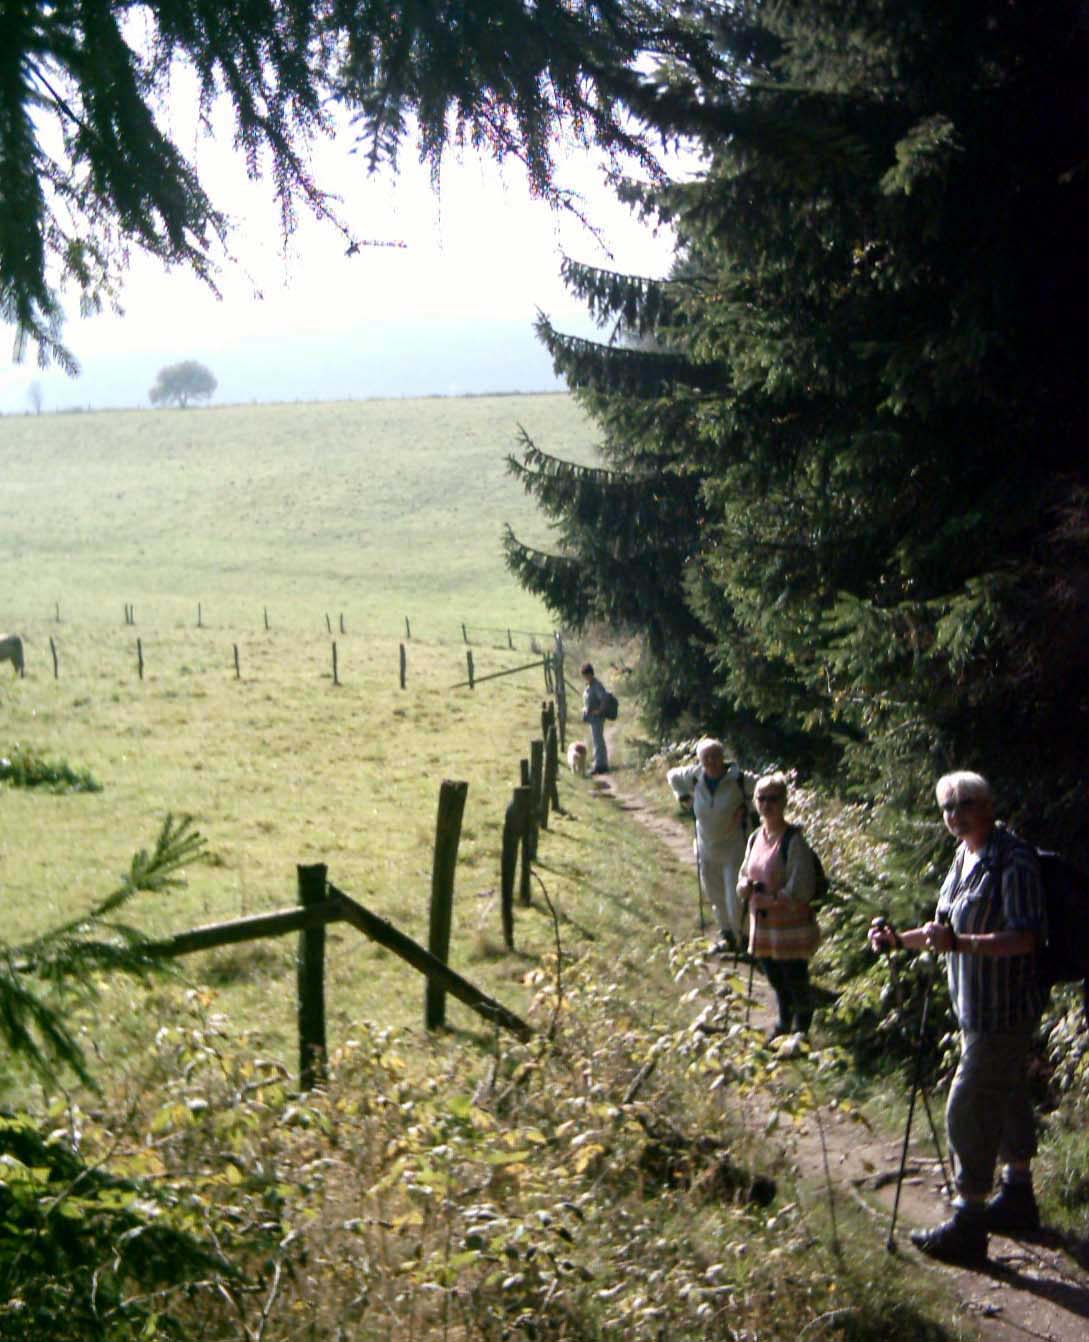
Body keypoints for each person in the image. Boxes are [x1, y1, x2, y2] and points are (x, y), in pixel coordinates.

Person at [868, 770, 1046, 1267]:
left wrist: (961, 944)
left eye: (964, 803)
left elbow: (1025, 938)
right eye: (947, 807)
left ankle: (968, 1220)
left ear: (988, 804)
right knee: (1007, 1091)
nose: (954, 814)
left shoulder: (1013, 861)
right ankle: (1017, 1196)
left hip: (1005, 1009)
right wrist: (897, 940)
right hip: (973, 1007)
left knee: (966, 1105)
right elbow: (943, 929)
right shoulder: (964, 855)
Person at [737, 772, 820, 1036]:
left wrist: (771, 901)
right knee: (775, 978)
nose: (766, 804)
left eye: (772, 798)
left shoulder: (793, 841)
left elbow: (801, 888)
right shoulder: (755, 838)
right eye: (761, 798)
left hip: (790, 928)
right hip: (763, 926)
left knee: (795, 978)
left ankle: (802, 1031)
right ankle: (784, 1023)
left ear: (784, 801)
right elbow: (743, 874)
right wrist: (744, 888)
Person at [668, 739, 757, 952]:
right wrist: (683, 797)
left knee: (735, 898)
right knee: (715, 895)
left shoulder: (739, 779)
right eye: (706, 757)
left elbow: (768, 789)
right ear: (700, 759)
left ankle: (745, 941)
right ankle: (727, 937)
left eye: (715, 756)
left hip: (734, 848)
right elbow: (672, 776)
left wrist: (749, 808)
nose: (711, 761)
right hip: (706, 847)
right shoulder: (695, 776)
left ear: (722, 757)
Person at [580, 661, 610, 775]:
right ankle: (599, 763)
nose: (585, 678)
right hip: (592, 718)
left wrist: (599, 711)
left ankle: (600, 766)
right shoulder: (590, 685)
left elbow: (604, 698)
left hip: (597, 718)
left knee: (598, 741)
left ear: (590, 674)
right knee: (597, 740)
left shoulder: (597, 686)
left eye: (585, 676)